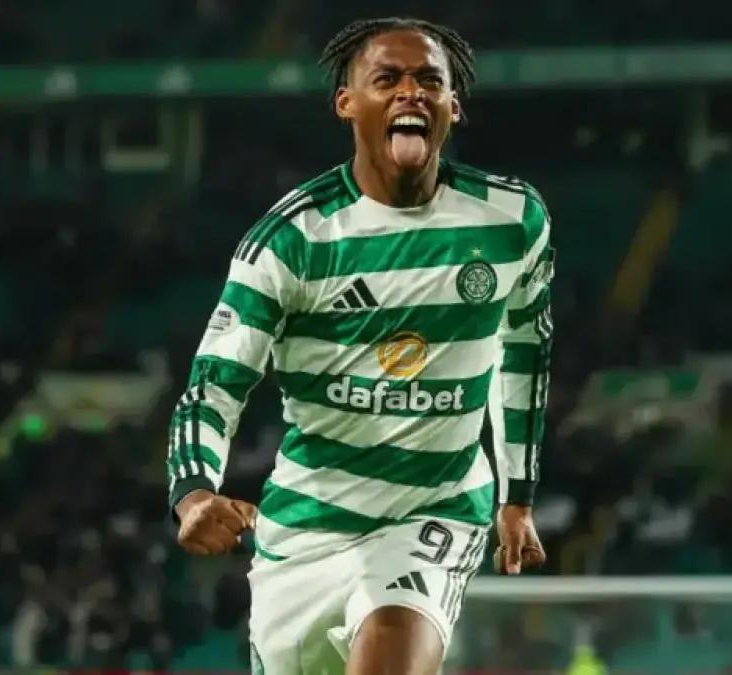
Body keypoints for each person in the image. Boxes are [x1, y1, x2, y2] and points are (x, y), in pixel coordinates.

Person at [167, 16, 555, 675]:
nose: (411, 92)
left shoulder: (512, 220)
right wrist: (194, 491)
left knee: (393, 641)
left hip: (435, 511)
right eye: (388, 79)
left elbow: (524, 348)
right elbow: (214, 383)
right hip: (305, 531)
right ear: (347, 103)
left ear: (453, 107)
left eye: (429, 80)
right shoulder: (292, 239)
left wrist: (516, 496)